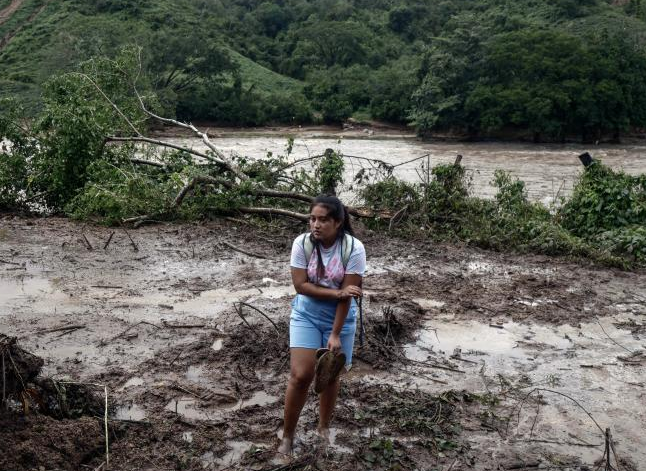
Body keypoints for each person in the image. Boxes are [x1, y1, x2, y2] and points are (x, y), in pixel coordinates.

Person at [278, 195, 366, 455]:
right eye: (312, 219)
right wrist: (335, 293)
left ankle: (323, 429)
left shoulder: (353, 248)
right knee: (301, 375)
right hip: (306, 314)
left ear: (337, 222)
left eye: (323, 220)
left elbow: (348, 294)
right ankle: (287, 436)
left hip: (340, 317)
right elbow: (300, 286)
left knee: (329, 376)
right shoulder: (302, 244)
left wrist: (336, 333)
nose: (316, 225)